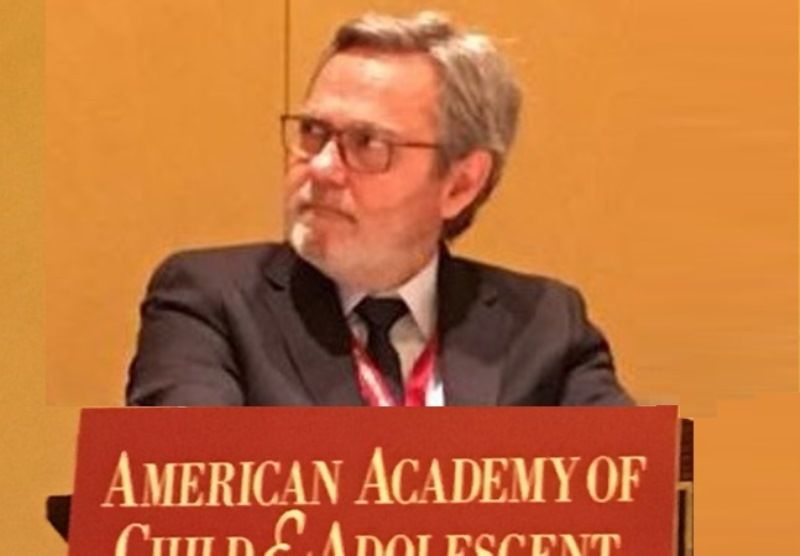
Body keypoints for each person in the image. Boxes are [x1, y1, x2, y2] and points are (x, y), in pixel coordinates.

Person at [126, 11, 632, 407]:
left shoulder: (544, 325)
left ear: (460, 183)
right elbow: (185, 482)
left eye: (368, 143)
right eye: (313, 132)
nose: (322, 167)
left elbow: (633, 482)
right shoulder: (210, 303)